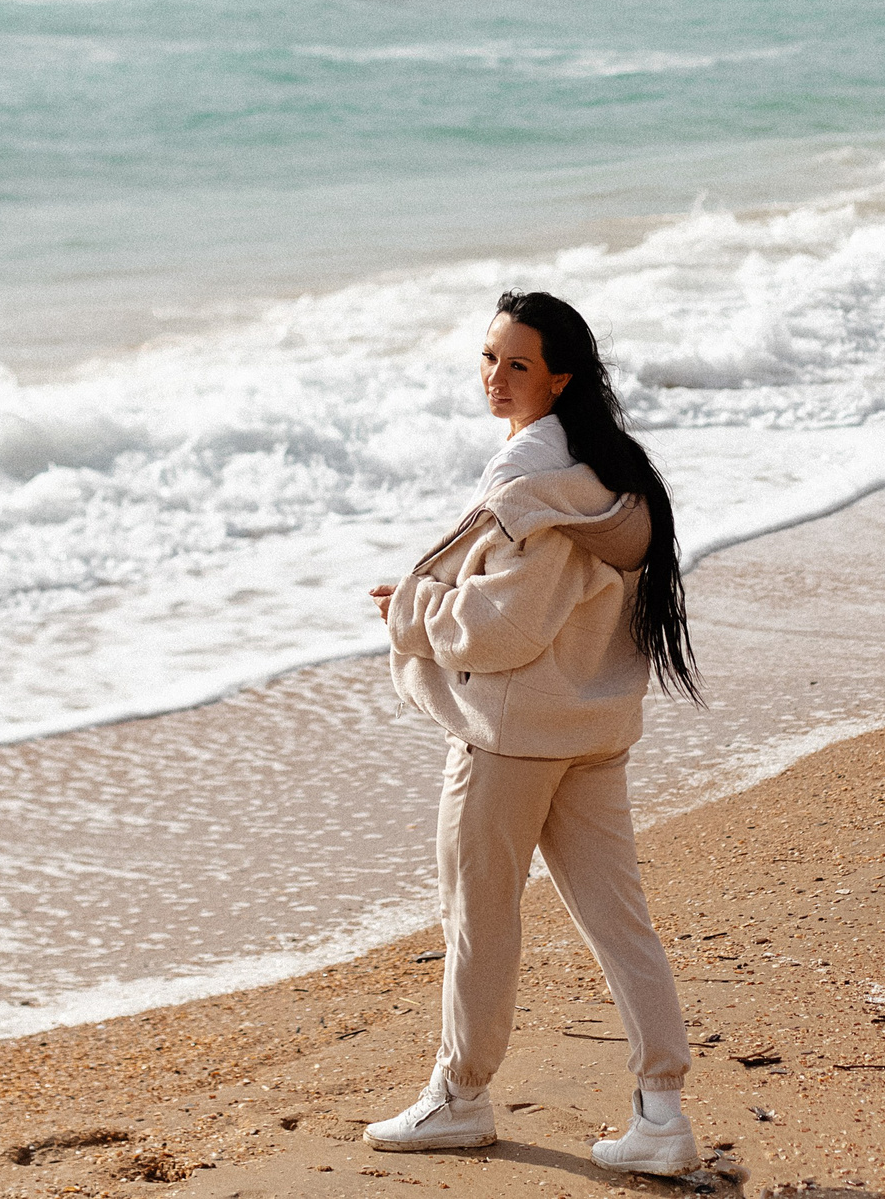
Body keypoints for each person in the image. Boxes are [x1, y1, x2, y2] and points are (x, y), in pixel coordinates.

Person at [361, 290, 705, 1176]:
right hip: (589, 728)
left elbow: (504, 626)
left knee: (478, 917)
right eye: (489, 358)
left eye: (518, 364)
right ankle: (660, 1111)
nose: (496, 378)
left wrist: (411, 607)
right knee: (620, 921)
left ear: (560, 377)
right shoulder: (608, 475)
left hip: (511, 739)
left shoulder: (529, 481)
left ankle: (460, 1096)